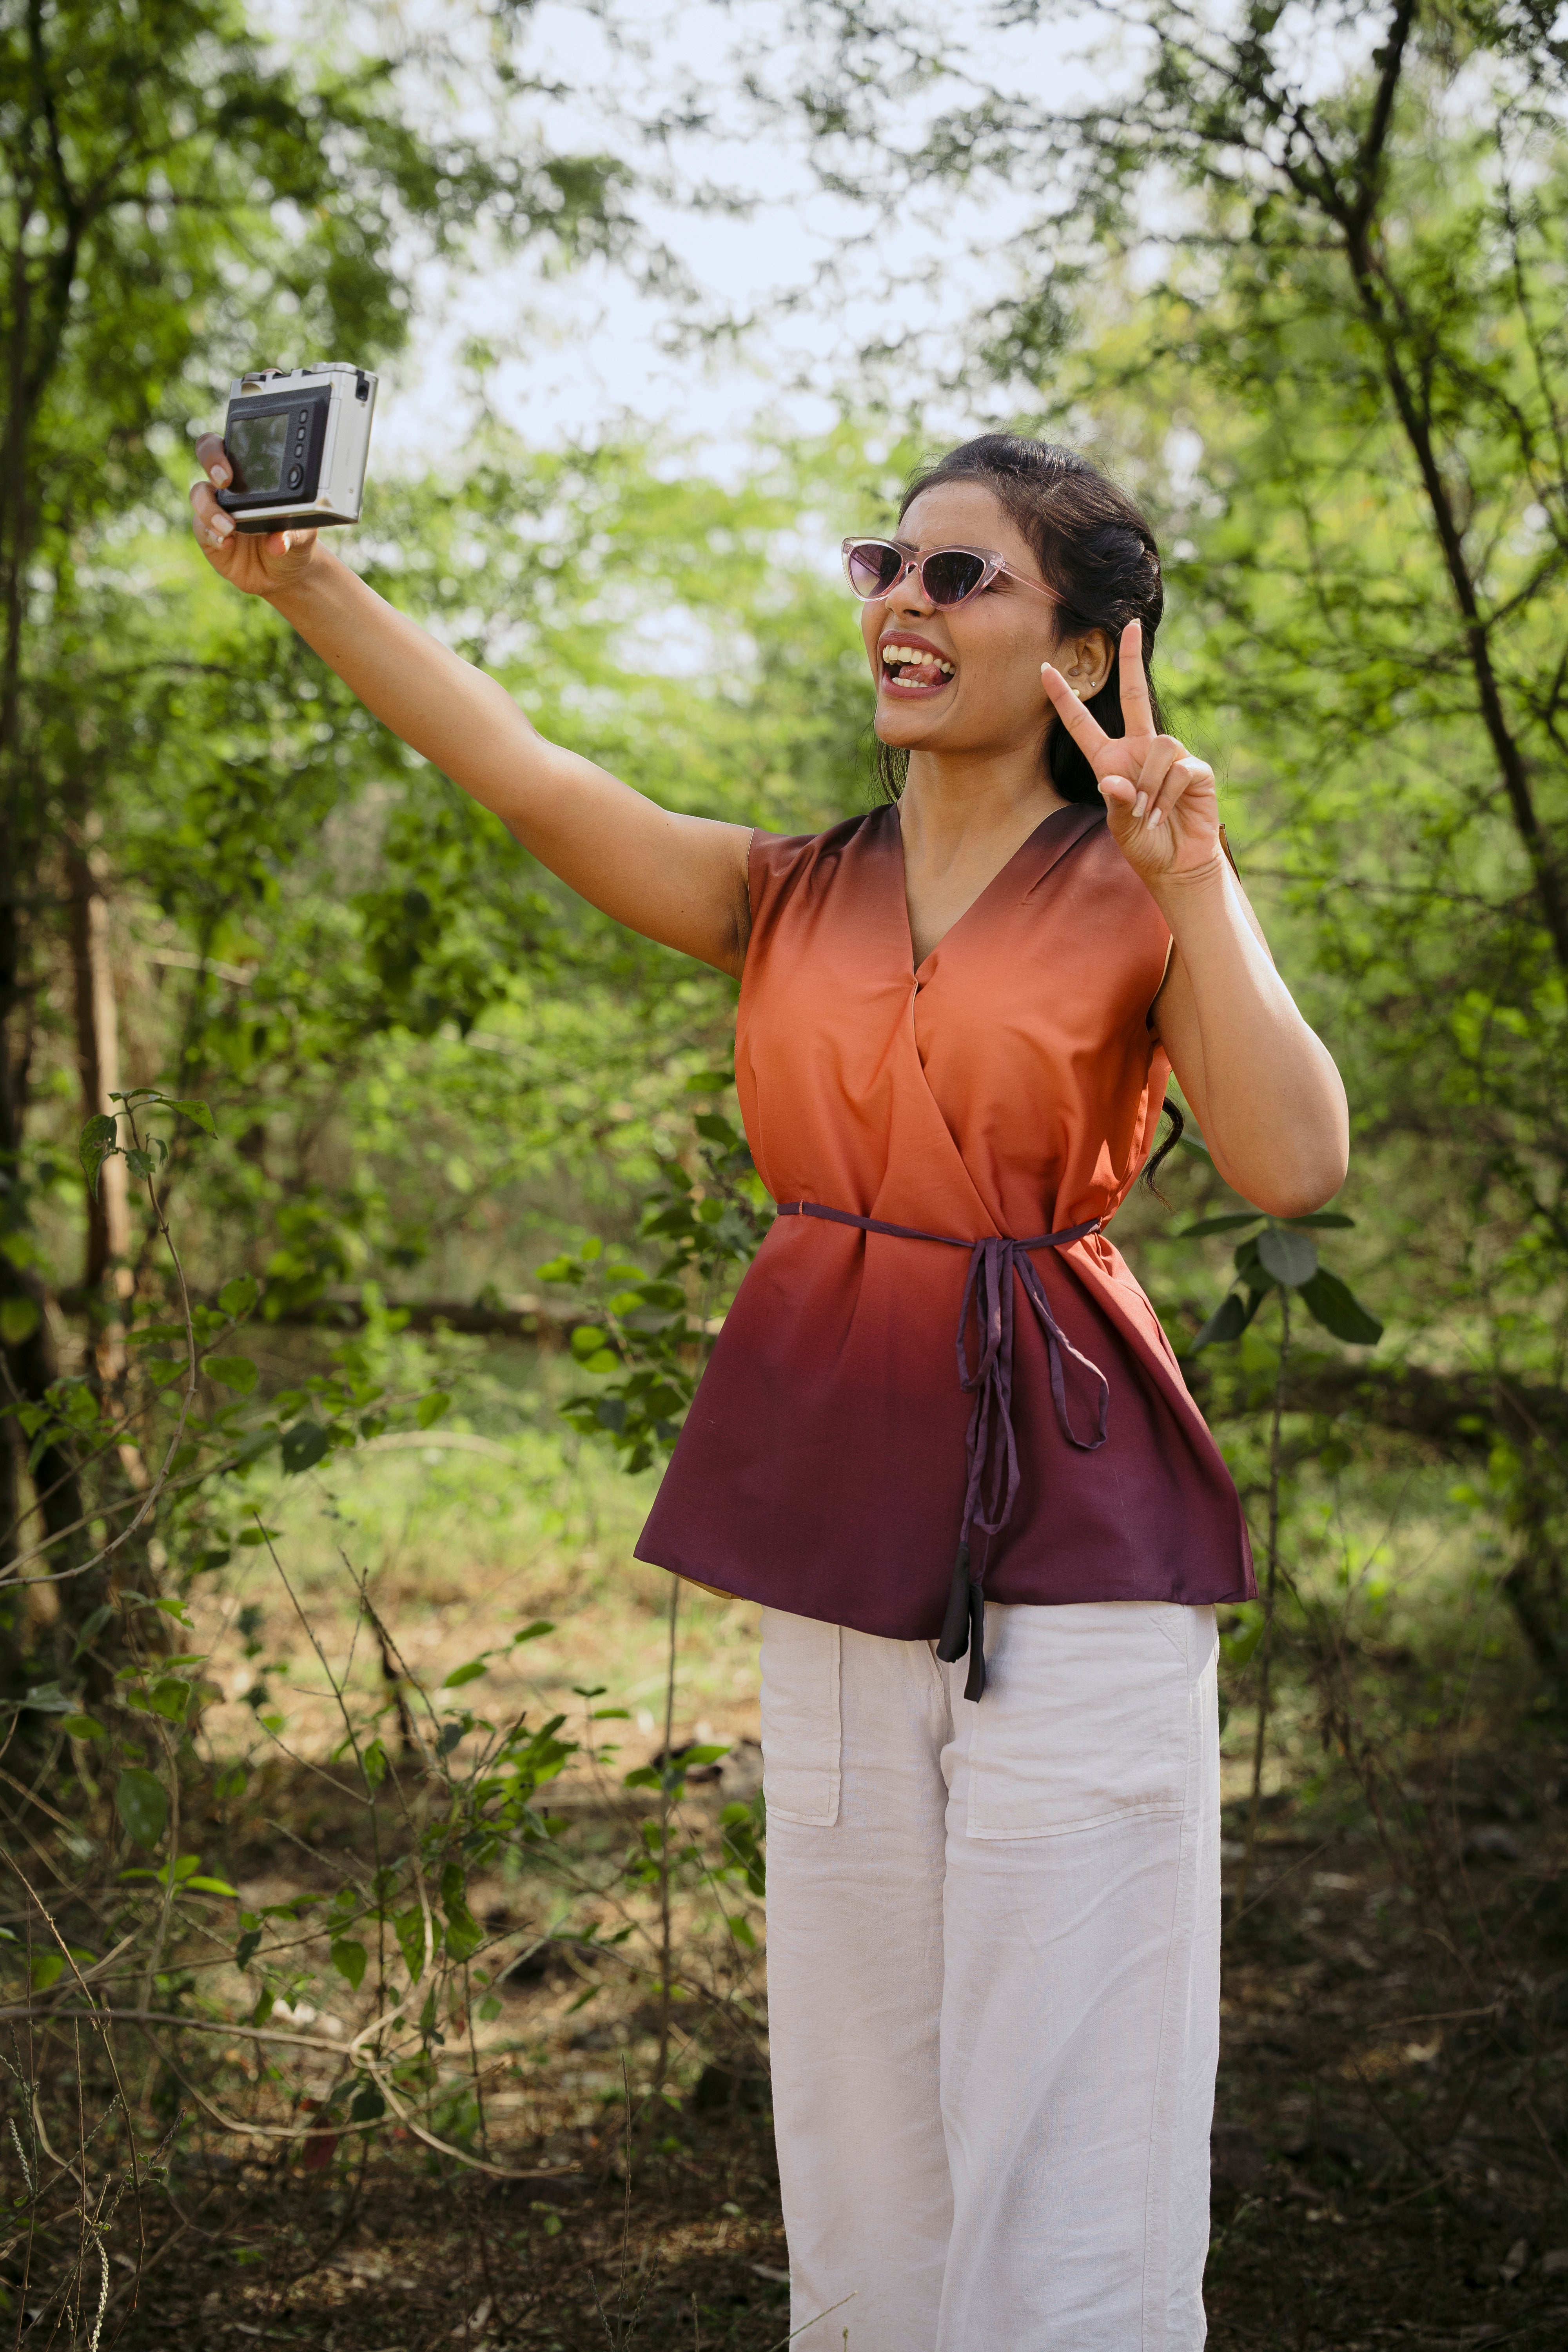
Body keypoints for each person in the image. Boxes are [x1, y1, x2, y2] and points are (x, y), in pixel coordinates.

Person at [191, 428, 1348, 2350]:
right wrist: (309, 583)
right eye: (884, 563)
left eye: (958, 576)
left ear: (1086, 642)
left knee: (1073, 2096)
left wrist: (1196, 875)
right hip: (837, 1512)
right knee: (860, 2105)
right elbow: (529, 772)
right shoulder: (787, 892)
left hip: (1078, 1524)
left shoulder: (1144, 885)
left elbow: (1295, 1162)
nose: (901, 601)